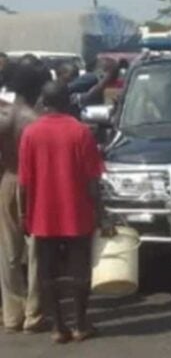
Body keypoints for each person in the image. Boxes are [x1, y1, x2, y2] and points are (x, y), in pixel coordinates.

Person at [19, 82, 110, 344]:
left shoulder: (31, 133)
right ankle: (80, 324)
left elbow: (25, 181)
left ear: (43, 103)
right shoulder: (81, 132)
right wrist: (102, 213)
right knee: (80, 270)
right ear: (67, 101)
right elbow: (93, 181)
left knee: (47, 272)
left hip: (42, 214)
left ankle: (58, 327)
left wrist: (25, 215)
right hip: (77, 212)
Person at [0, 61, 46, 334]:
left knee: (8, 252)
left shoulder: (4, 115)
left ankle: (11, 314)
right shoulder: (36, 120)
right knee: (37, 249)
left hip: (7, 180)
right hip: (35, 184)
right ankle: (34, 313)